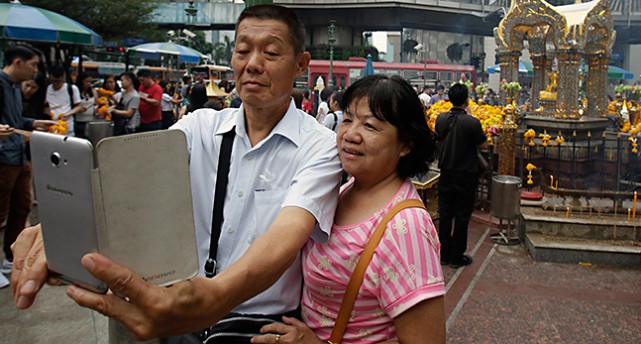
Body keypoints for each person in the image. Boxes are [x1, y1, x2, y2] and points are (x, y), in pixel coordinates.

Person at [11, 5, 342, 343]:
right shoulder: (199, 127)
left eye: (271, 52)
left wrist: (212, 298)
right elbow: (128, 183)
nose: (253, 63)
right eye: (243, 50)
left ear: (301, 64)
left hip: (258, 329)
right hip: (178, 313)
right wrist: (66, 223)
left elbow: (283, 239)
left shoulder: (321, 147)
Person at [252, 75, 444, 344]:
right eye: (348, 119)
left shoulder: (406, 227)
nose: (351, 135)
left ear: (406, 144)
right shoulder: (342, 191)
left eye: (370, 126)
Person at [0, 44, 54, 288]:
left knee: (21, 207)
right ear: (18, 62)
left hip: (20, 155)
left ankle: (10, 258)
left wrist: (33, 123)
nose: (35, 71)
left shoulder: (12, 88)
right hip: (3, 158)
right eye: (33, 64)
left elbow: (14, 121)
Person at [435, 83, 486, 269]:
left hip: (446, 173)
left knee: (446, 214)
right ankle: (457, 256)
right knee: (462, 216)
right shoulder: (471, 122)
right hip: (466, 174)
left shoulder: (440, 119)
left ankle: (444, 254)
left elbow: (439, 137)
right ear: (467, 100)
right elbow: (483, 145)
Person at [45, 65, 83, 136]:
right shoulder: (48, 88)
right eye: (53, 81)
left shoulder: (72, 88)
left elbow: (79, 106)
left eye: (58, 81)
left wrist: (67, 114)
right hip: (51, 126)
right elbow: (46, 105)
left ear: (63, 78)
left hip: (67, 126)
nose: (55, 84)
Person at [108, 71, 140, 136]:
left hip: (129, 127)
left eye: (122, 80)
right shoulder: (123, 93)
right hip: (120, 125)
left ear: (129, 81)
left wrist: (114, 111)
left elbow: (129, 113)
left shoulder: (134, 96)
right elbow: (121, 105)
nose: (121, 83)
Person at [74, 72, 99, 139]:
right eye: (86, 81)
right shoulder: (76, 91)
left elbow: (97, 104)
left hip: (91, 120)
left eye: (90, 82)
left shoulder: (93, 91)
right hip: (79, 121)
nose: (89, 84)